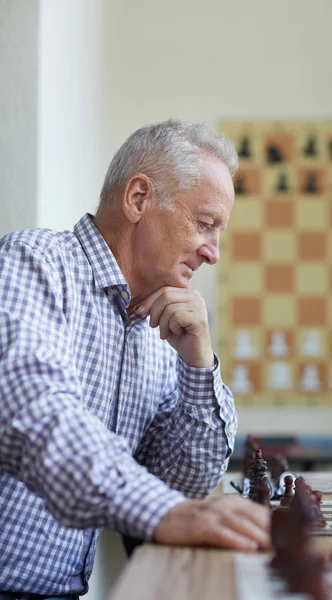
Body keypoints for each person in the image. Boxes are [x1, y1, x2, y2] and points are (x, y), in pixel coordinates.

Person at [0, 119, 269, 599]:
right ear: (138, 198)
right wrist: (164, 513)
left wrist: (198, 365)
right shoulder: (34, 263)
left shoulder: (157, 325)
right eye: (205, 224)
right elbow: (36, 412)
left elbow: (182, 481)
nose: (214, 253)